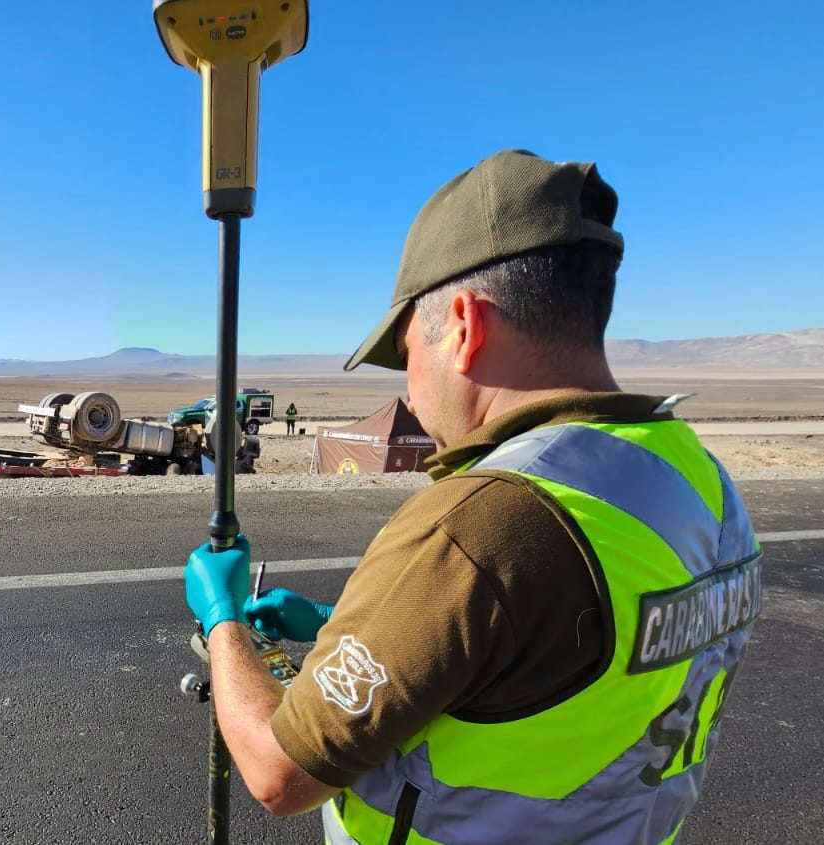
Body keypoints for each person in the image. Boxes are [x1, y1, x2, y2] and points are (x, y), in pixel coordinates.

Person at [182, 149, 761, 844]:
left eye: (407, 352)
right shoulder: (698, 481)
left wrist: (222, 624)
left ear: (463, 324)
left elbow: (281, 773)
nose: (408, 391)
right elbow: (563, 645)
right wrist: (343, 620)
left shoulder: (482, 523)